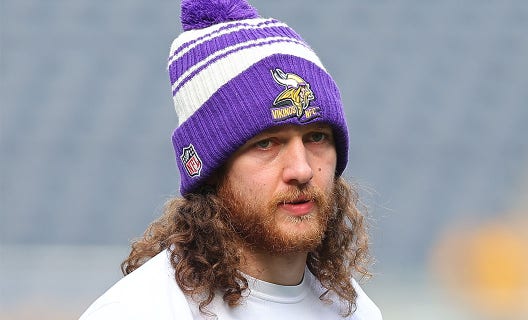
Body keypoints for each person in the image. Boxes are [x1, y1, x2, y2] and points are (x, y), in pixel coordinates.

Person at [79, 0, 382, 319]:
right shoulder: (141, 311)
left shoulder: (355, 311)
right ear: (211, 169)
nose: (302, 169)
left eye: (317, 137)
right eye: (266, 143)